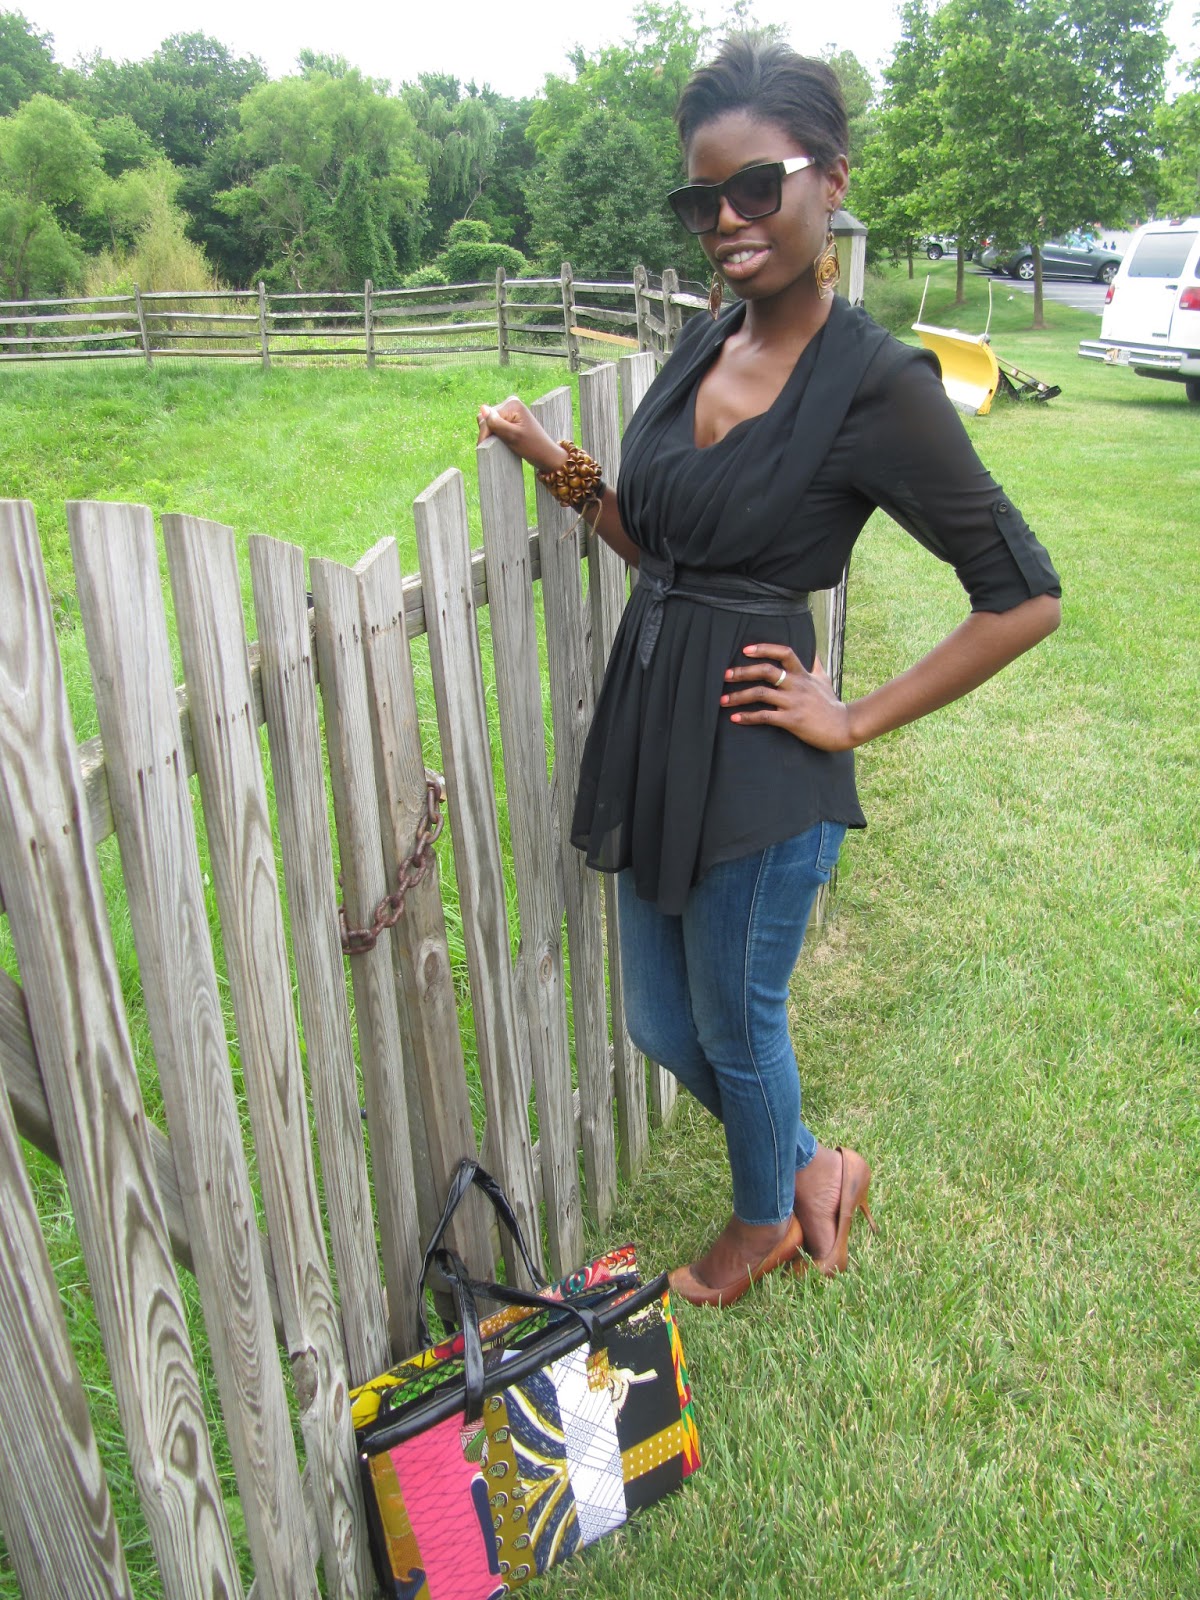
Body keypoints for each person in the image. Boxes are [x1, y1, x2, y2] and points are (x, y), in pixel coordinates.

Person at [476, 36, 1061, 1308]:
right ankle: (814, 1167)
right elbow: (660, 542)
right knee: (661, 1021)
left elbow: (1024, 596)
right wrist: (550, 460)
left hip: (757, 750)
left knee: (738, 1023)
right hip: (656, 723)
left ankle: (761, 1222)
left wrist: (851, 717)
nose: (729, 221)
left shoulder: (878, 385)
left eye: (758, 187)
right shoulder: (706, 344)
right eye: (704, 201)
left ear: (831, 181)